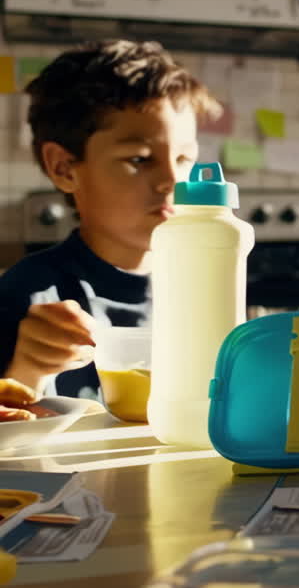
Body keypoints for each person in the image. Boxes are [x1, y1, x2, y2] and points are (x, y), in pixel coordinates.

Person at [0, 39, 218, 400]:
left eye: (183, 159)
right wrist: (28, 370)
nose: (172, 181)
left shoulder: (203, 289)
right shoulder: (26, 297)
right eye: (140, 159)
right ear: (64, 167)